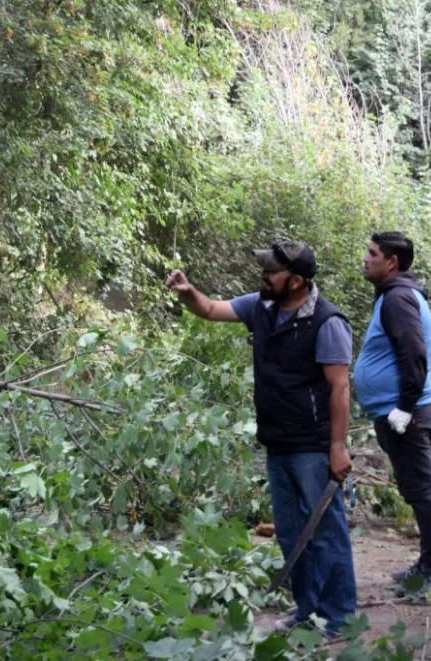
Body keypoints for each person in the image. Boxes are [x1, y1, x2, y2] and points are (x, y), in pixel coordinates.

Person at [165, 239, 356, 638]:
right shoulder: (261, 306)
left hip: (313, 444)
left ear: (298, 281)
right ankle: (307, 610)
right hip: (278, 440)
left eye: (273, 272)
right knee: (290, 532)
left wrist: (337, 447)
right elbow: (211, 309)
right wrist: (188, 292)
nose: (264, 276)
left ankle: (338, 619)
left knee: (325, 532)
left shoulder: (327, 322)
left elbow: (339, 388)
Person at [352, 231, 431, 590]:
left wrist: (405, 408)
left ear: (391, 262)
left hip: (408, 413)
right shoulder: (392, 296)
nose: (365, 258)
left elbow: (414, 354)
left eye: (372, 253)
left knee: (421, 490)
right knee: (415, 488)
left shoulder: (398, 299)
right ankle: (427, 564)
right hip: (400, 413)